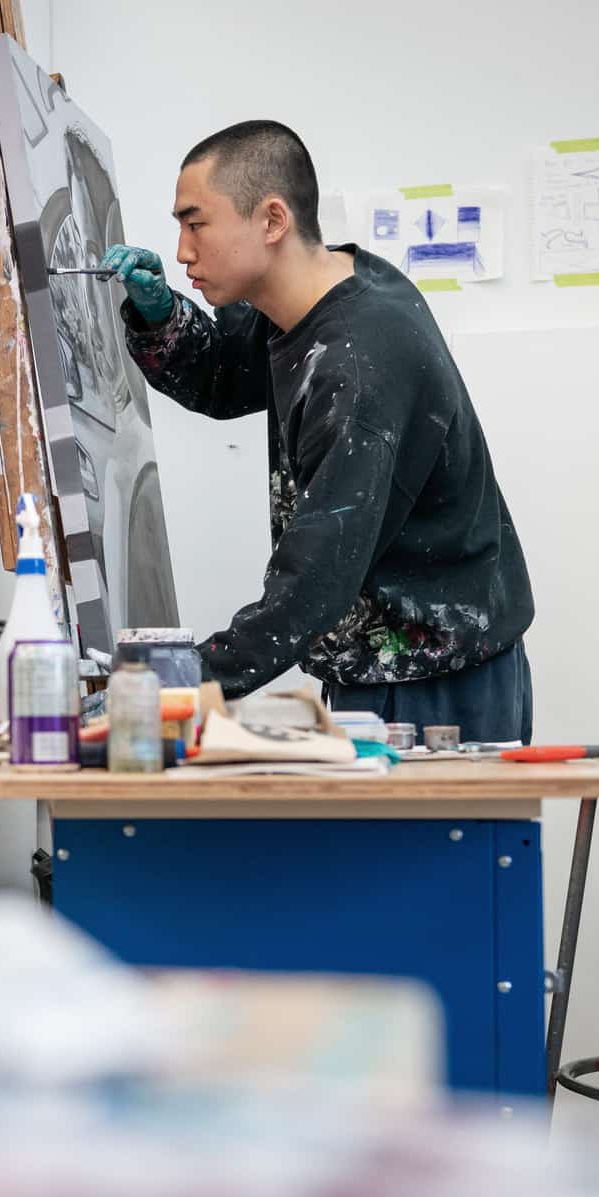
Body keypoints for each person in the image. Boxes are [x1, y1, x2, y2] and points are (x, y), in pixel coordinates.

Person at [101, 120, 535, 742]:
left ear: (272, 220)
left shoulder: (359, 363)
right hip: (388, 662)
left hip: (435, 676)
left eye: (195, 224)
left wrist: (176, 681)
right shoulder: (318, 295)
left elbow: (315, 581)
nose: (182, 251)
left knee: (425, 844)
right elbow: (223, 377)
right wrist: (159, 315)